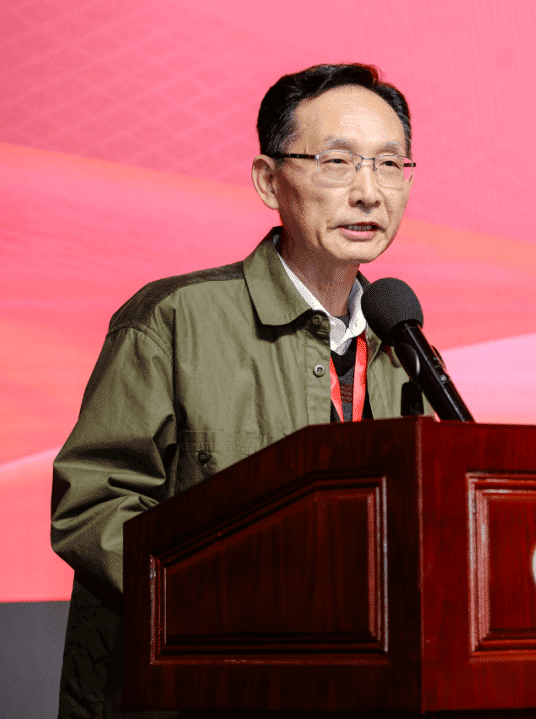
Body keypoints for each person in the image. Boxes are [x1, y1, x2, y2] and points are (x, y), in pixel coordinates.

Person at [50, 63, 418, 719]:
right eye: (338, 162)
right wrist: (237, 602)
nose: (369, 192)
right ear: (268, 180)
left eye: (389, 165)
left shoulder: (403, 350)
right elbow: (92, 507)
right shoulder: (173, 320)